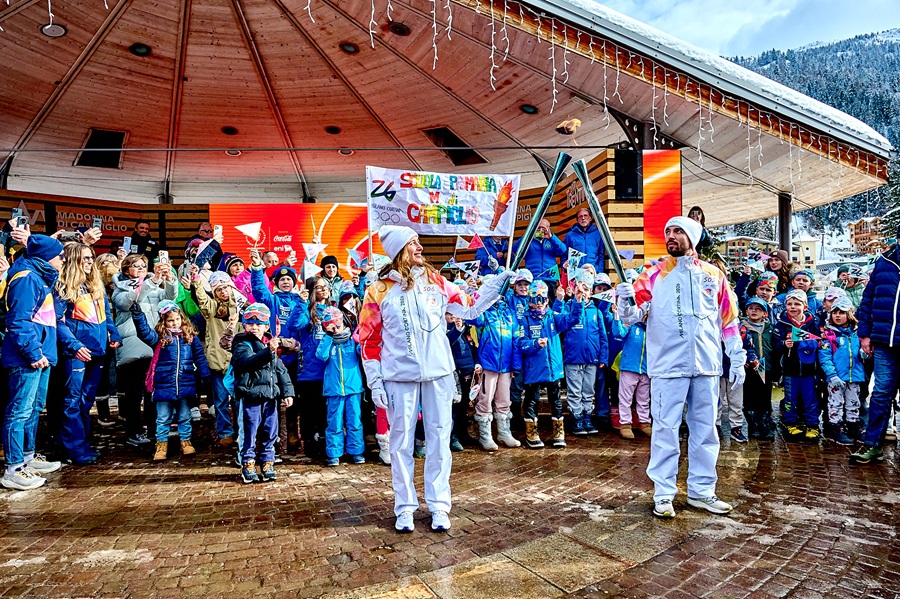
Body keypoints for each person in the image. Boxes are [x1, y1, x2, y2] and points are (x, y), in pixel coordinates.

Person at [357, 225, 515, 533]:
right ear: (399, 250)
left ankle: (439, 505)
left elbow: (469, 308)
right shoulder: (378, 290)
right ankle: (404, 507)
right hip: (398, 377)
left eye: (418, 241)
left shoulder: (435, 281)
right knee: (401, 443)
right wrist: (375, 380)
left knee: (440, 440)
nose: (419, 247)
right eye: (412, 243)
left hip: (439, 374)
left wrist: (495, 286)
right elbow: (368, 339)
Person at [616, 216, 745, 519]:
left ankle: (702, 492)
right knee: (665, 430)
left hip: (706, 365)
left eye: (677, 231)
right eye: (668, 231)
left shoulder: (713, 275)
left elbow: (728, 320)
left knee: (705, 431)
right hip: (667, 366)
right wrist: (624, 300)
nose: (671, 236)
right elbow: (632, 316)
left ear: (693, 237)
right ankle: (663, 494)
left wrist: (735, 354)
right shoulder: (653, 273)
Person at [1, 235, 67, 490]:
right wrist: (33, 352)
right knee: (19, 410)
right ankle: (14, 468)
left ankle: (28, 456)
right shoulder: (27, 278)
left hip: (42, 354)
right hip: (27, 357)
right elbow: (19, 320)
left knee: (34, 407)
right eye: (60, 255)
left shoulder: (39, 276)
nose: (63, 259)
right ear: (47, 257)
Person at [55, 242, 122, 465]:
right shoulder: (63, 286)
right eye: (84, 258)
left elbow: (106, 315)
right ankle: (74, 449)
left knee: (85, 401)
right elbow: (58, 322)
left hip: (98, 351)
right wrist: (74, 346)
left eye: (91, 257)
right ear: (73, 260)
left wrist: (113, 334)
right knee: (72, 402)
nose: (89, 261)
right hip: (76, 353)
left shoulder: (94, 284)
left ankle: (82, 444)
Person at [111, 253, 178, 447]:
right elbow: (129, 301)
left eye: (143, 265)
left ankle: (154, 428)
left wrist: (170, 279)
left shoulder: (153, 283)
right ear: (126, 270)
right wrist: (153, 281)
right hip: (133, 346)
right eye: (135, 265)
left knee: (152, 392)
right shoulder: (120, 288)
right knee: (134, 393)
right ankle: (134, 432)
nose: (141, 268)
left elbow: (169, 299)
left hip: (154, 343)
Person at [131, 301, 210, 460]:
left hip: (185, 382)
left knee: (184, 416)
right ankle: (161, 444)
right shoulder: (160, 337)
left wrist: (204, 374)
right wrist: (138, 316)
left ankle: (185, 441)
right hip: (163, 383)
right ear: (164, 321)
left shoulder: (190, 337)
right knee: (163, 417)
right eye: (170, 320)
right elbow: (145, 332)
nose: (175, 323)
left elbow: (199, 357)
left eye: (177, 319)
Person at [515, 280, 585, 449]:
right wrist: (534, 344)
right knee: (531, 400)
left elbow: (573, 319)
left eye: (542, 299)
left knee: (556, 400)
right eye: (535, 300)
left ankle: (558, 432)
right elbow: (520, 342)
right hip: (534, 368)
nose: (538, 304)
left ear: (547, 299)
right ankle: (532, 432)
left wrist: (577, 301)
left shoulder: (553, 316)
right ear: (529, 300)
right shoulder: (524, 319)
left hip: (554, 368)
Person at [231, 303, 295, 482]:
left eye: (259, 323)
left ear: (266, 326)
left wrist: (287, 392)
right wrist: (269, 351)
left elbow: (280, 370)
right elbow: (247, 362)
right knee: (249, 430)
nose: (254, 327)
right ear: (244, 325)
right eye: (250, 323)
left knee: (270, 430)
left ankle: (267, 461)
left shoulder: (270, 343)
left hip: (270, 396)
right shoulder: (241, 342)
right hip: (250, 395)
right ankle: (248, 461)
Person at [468, 279, 520, 450]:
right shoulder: (484, 313)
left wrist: (515, 365)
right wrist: (477, 297)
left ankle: (504, 433)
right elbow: (473, 318)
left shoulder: (509, 313)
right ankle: (485, 436)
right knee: (485, 400)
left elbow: (515, 340)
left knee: (504, 400)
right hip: (488, 364)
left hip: (506, 366)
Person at [192, 271, 240, 448]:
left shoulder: (240, 306)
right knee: (220, 401)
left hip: (237, 362)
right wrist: (196, 282)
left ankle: (241, 429)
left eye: (226, 287)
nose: (224, 292)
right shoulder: (212, 308)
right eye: (219, 289)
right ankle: (225, 432)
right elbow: (202, 301)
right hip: (218, 362)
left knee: (238, 400)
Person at [316, 306, 365, 466]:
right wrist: (329, 336)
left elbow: (364, 353)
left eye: (338, 325)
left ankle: (356, 451)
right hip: (334, 390)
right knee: (334, 423)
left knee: (354, 421)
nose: (336, 329)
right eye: (331, 326)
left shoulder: (351, 342)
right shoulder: (328, 342)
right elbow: (321, 355)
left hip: (353, 388)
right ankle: (334, 453)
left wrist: (360, 340)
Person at [560, 270, 608, 436]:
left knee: (588, 390)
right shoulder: (568, 308)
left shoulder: (596, 312)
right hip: (573, 357)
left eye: (587, 289)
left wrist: (603, 356)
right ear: (574, 290)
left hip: (592, 358)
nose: (583, 293)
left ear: (591, 292)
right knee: (575, 391)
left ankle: (587, 416)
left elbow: (602, 336)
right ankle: (576, 417)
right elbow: (562, 326)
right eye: (580, 289)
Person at [773, 290, 821, 440]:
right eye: (789, 304)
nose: (793, 307)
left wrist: (811, 343)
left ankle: (812, 425)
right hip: (789, 370)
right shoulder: (781, 323)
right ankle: (790, 423)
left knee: (810, 398)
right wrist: (783, 344)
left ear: (805, 306)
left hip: (808, 370)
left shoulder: (813, 322)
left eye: (797, 304)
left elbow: (820, 341)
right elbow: (774, 343)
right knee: (790, 398)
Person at [818, 297, 864, 446]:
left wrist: (864, 354)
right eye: (835, 312)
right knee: (835, 403)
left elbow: (862, 351)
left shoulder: (856, 334)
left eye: (842, 312)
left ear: (849, 314)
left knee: (853, 403)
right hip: (836, 377)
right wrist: (831, 374)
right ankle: (835, 428)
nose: (837, 316)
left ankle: (853, 426)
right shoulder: (829, 335)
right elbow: (825, 356)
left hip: (854, 375)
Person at [741, 298, 775, 439]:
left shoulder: (771, 328)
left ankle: (764, 422)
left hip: (766, 367)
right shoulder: (742, 327)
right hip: (750, 368)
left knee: (765, 396)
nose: (754, 311)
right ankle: (753, 423)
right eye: (751, 308)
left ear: (765, 313)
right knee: (749, 396)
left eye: (758, 309)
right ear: (746, 311)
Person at [512, 219, 567, 298]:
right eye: (538, 228)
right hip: (533, 278)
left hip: (550, 278)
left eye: (543, 228)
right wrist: (528, 235)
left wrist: (551, 237)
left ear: (548, 229)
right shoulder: (529, 241)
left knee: (549, 305)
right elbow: (515, 249)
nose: (541, 230)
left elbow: (562, 250)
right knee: (532, 304)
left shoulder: (552, 241)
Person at [617, 316, 650, 440]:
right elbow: (619, 332)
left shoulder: (652, 328)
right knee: (625, 398)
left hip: (646, 369)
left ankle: (645, 422)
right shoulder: (631, 324)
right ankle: (625, 424)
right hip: (629, 367)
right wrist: (616, 317)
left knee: (644, 398)